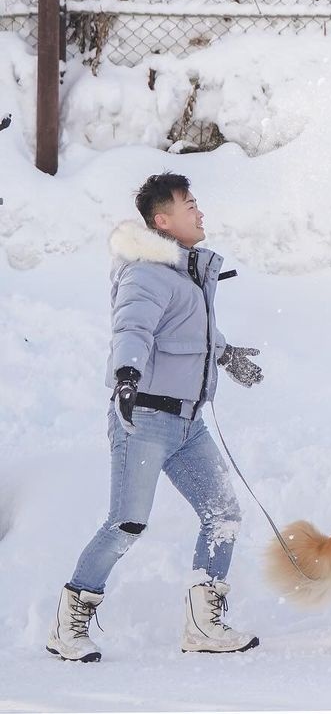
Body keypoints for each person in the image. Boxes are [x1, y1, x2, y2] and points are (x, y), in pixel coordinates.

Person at [47, 172, 264, 662]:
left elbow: (185, 333)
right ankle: (70, 619)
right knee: (126, 523)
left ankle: (204, 624)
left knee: (223, 514)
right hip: (143, 417)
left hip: (189, 424)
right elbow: (133, 328)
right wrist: (125, 377)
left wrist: (225, 356)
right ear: (163, 220)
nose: (200, 212)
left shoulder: (185, 273)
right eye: (190, 205)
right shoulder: (147, 272)